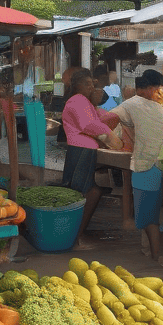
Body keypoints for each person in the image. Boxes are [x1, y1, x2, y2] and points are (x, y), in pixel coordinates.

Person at [111, 69, 163, 269]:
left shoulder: (150, 105)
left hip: (147, 164)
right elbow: (113, 119)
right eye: (157, 88)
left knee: (149, 214)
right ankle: (157, 256)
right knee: (150, 215)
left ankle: (152, 252)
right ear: (148, 89)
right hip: (150, 164)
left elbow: (110, 119)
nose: (160, 92)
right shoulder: (136, 104)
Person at [60, 68, 122, 249]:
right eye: (86, 84)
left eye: (91, 84)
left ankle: (76, 235)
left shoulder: (85, 102)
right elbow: (90, 125)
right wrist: (112, 139)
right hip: (81, 150)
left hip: (86, 150)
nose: (90, 88)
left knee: (89, 191)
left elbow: (105, 117)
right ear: (76, 85)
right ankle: (75, 237)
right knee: (82, 192)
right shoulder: (77, 100)